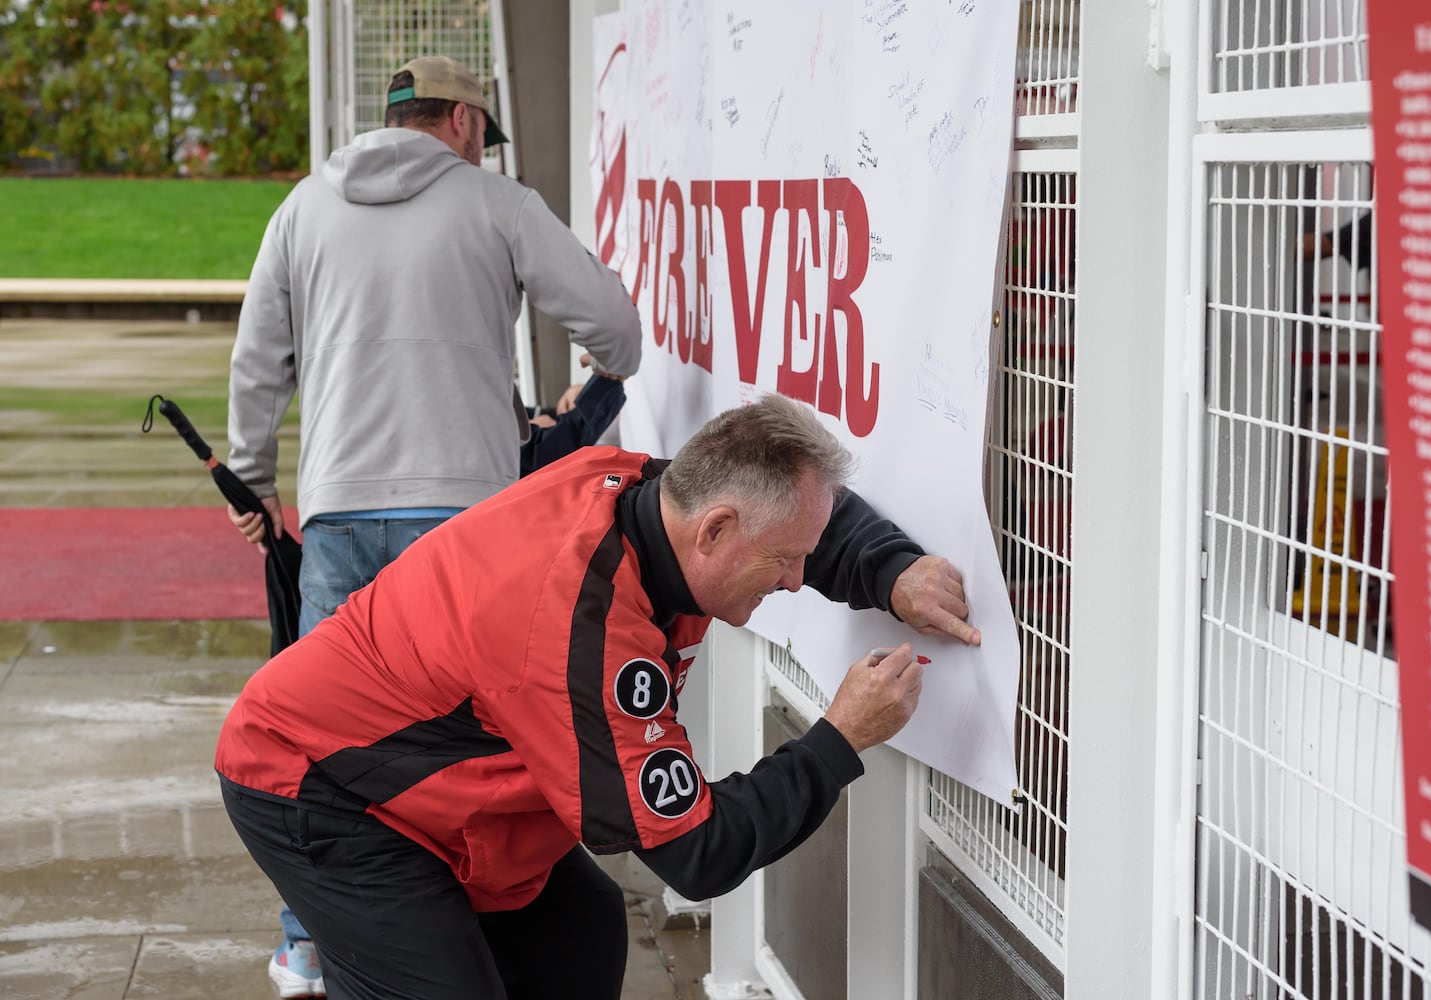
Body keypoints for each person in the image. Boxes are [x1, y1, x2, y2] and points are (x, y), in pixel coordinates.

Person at [217, 393, 982, 1000]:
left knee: (580, 935)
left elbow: (792, 501)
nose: (792, 580)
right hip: (314, 781)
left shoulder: (650, 489)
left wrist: (889, 570)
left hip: (422, 764)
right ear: (713, 532)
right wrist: (839, 740)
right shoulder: (579, 628)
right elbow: (696, 852)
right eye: (784, 562)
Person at [224, 54, 642, 998]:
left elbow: (259, 359)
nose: (479, 147)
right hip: (467, 522)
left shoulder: (303, 208)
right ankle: (462, 924)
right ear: (459, 119)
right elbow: (616, 327)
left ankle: (309, 951)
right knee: (468, 741)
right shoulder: (497, 205)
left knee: (321, 741)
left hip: (336, 510)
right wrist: (582, 383)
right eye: (478, 131)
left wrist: (255, 486)